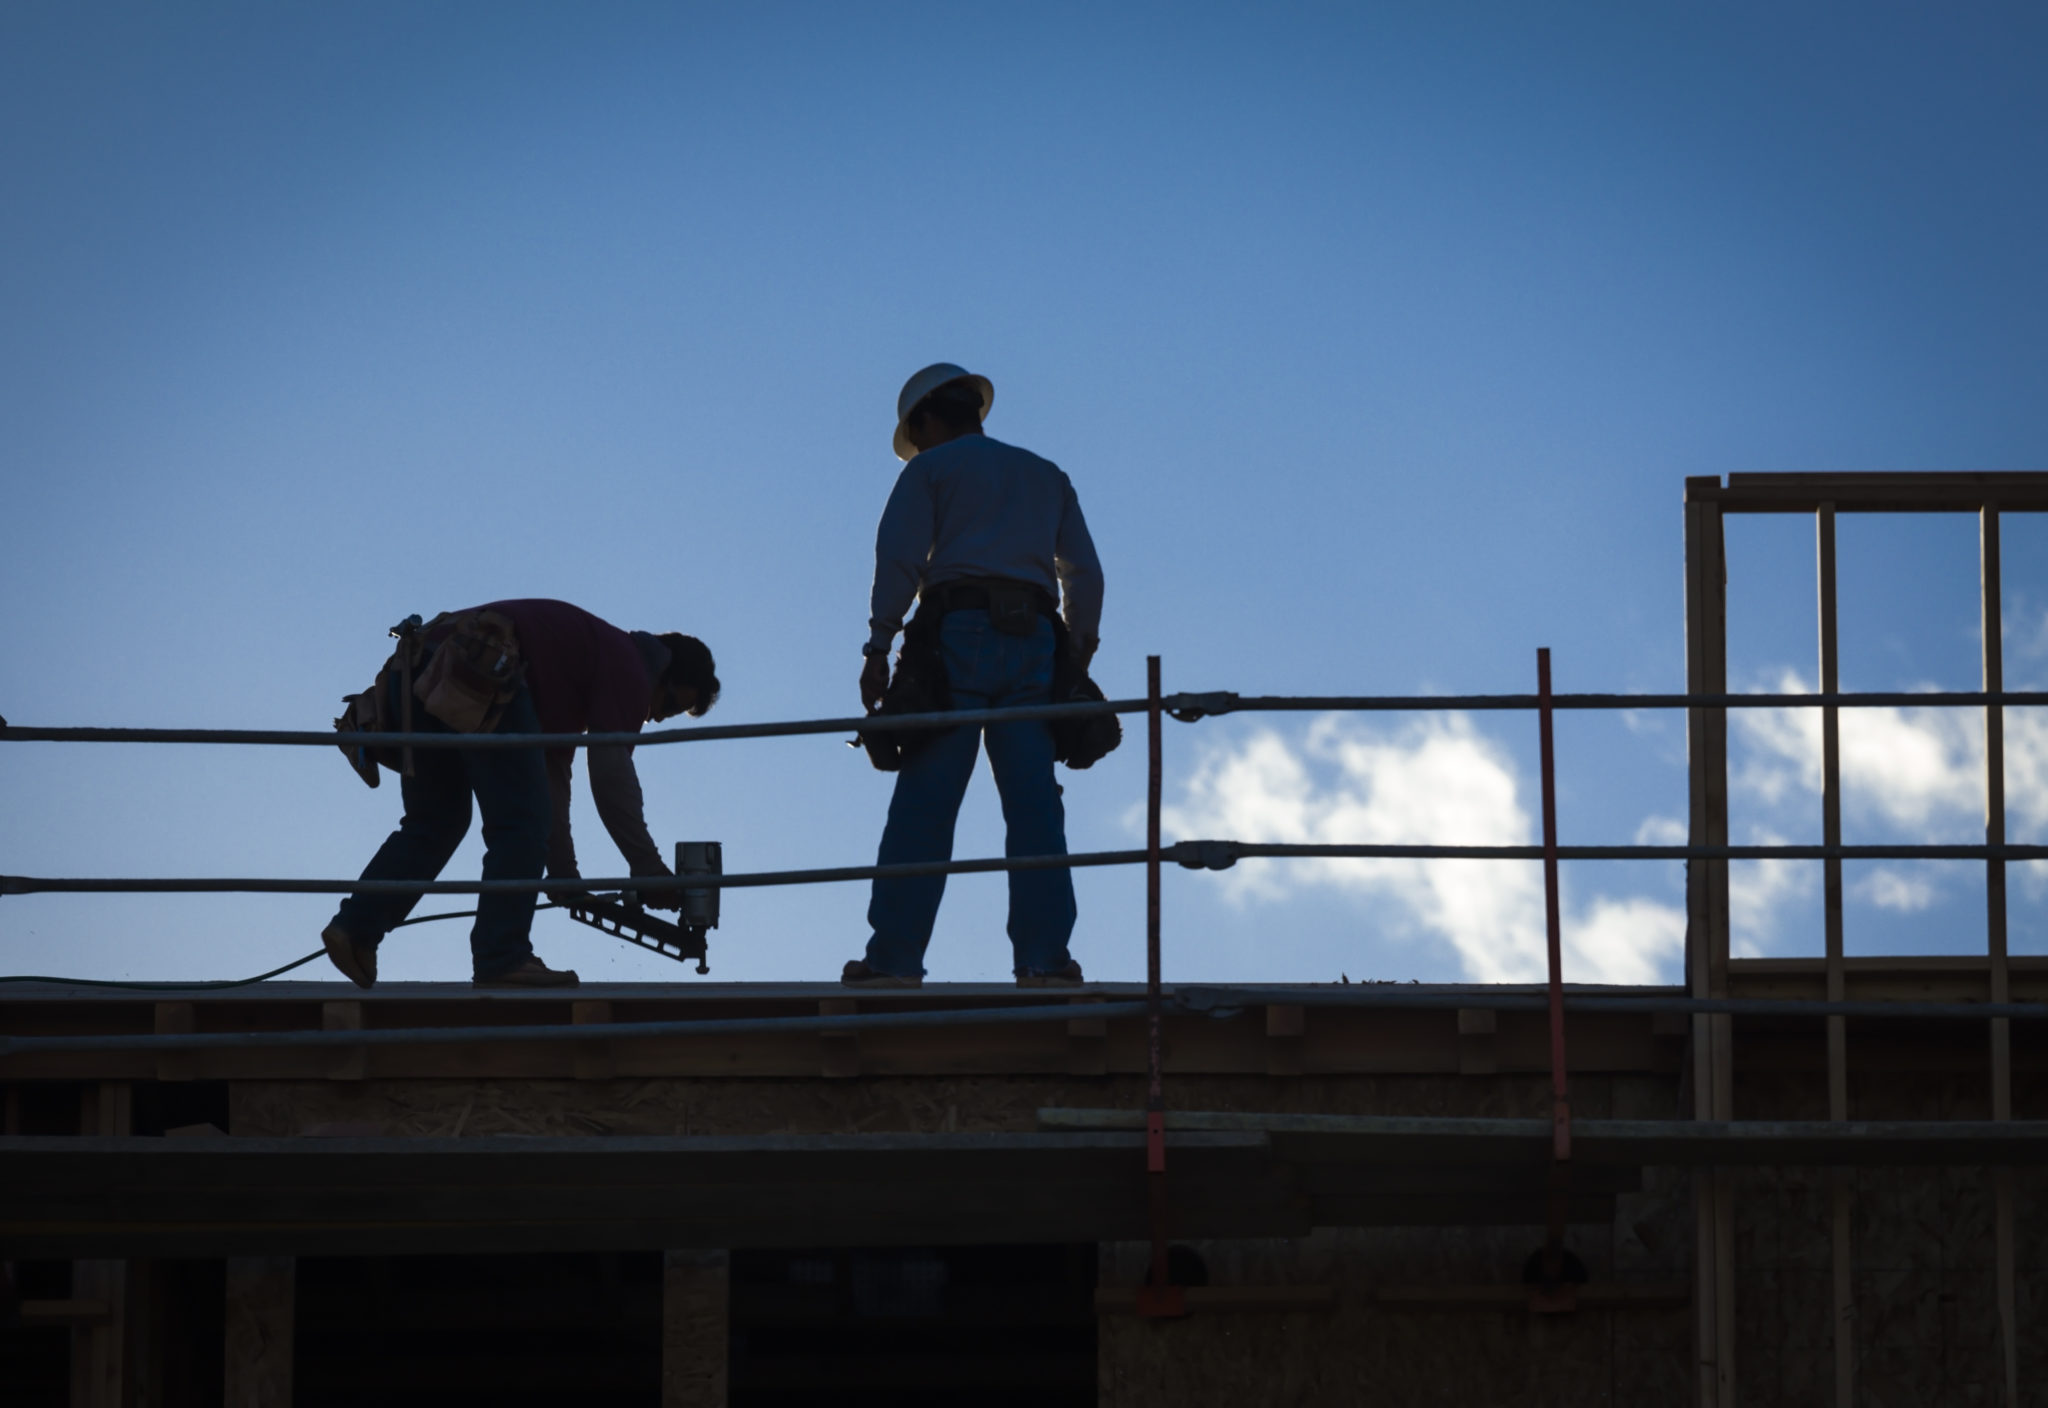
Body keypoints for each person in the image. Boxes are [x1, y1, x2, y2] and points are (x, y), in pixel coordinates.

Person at [846, 362, 1105, 988]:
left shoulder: (930, 470)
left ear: (928, 419)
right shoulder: (1046, 475)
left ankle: (893, 963)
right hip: (1036, 642)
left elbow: (900, 558)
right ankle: (1045, 963)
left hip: (955, 636)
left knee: (926, 804)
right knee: (1035, 808)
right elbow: (1084, 574)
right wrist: (1076, 655)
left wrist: (878, 647)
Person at [322, 599, 719, 989]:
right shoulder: (630, 667)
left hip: (419, 670)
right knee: (519, 823)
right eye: (666, 704)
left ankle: (355, 929)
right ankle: (502, 956)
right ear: (663, 671)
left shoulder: (575, 673)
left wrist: (564, 875)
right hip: (479, 667)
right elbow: (611, 778)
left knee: (436, 822)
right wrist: (648, 870)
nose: (652, 717)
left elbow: (552, 780)